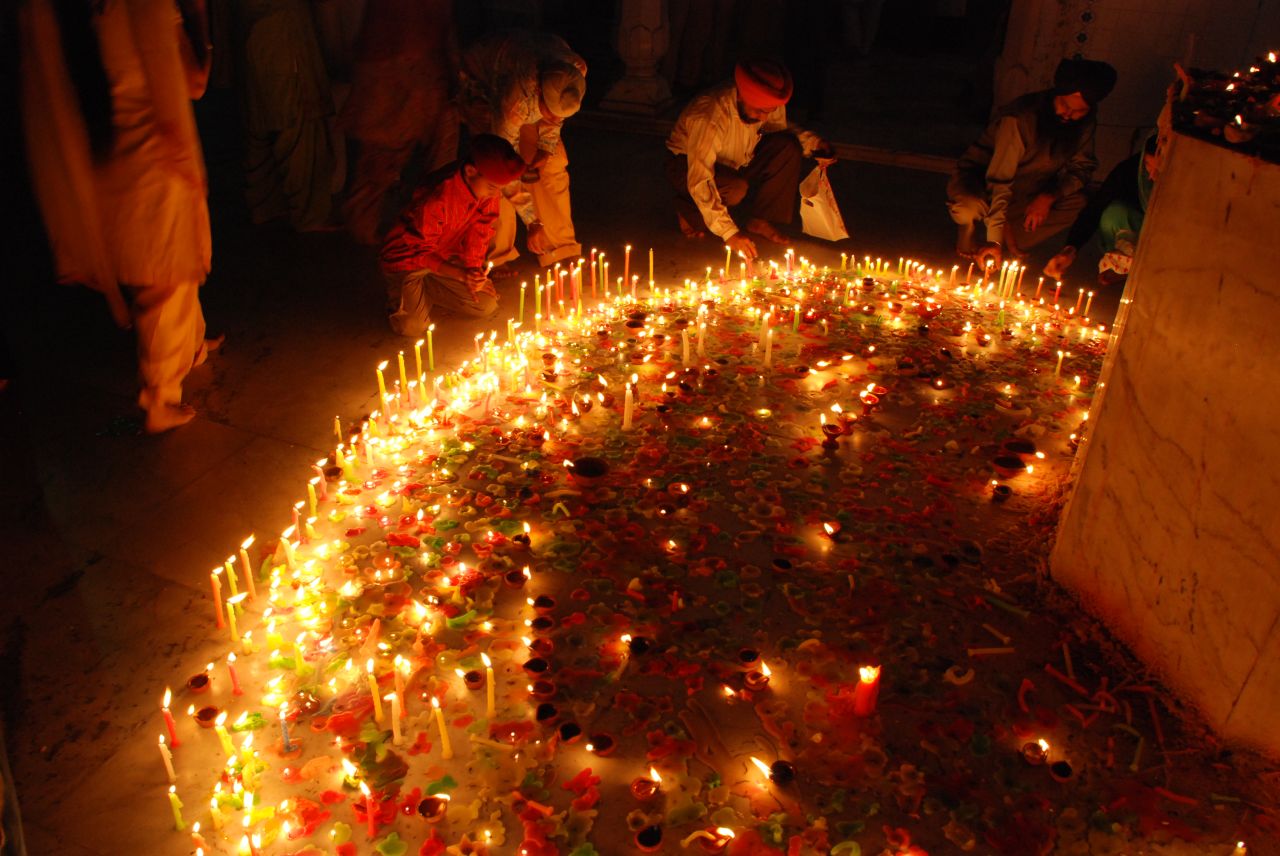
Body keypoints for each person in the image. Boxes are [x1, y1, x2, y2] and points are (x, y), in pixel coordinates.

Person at [19, 0, 221, 432]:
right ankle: (159, 400)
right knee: (164, 279)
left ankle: (191, 347)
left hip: (108, 153)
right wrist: (201, 18)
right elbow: (193, 82)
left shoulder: (66, 11)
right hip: (153, 153)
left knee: (170, 266)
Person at [947, 58, 1117, 268]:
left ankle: (1007, 238)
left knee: (1077, 202)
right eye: (1064, 105)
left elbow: (1082, 168)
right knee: (968, 207)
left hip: (1027, 192)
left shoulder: (1083, 123)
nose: (1068, 114)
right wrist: (995, 239)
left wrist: (1049, 196)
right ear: (1056, 94)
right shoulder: (1020, 118)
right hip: (982, 186)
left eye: (1078, 111)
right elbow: (999, 180)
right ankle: (981, 235)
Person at [665, 58, 834, 261]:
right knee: (735, 189)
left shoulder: (765, 105)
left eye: (769, 111)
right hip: (686, 166)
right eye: (760, 111)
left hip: (736, 163)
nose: (764, 117)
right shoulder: (710, 114)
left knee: (787, 148)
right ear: (742, 97)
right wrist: (730, 234)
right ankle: (687, 210)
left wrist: (814, 144)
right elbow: (700, 177)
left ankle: (759, 220)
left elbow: (780, 127)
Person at [458, 29, 586, 268]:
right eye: (548, 112)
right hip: (482, 84)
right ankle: (496, 254)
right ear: (539, 94)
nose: (553, 118)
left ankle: (559, 247)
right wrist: (532, 221)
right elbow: (502, 161)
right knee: (495, 172)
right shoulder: (514, 101)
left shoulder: (575, 70)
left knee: (555, 160)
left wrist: (545, 150)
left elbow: (555, 118)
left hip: (526, 69)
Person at [339, 0, 461, 245]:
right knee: (382, 155)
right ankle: (373, 231)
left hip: (412, 67)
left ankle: (434, 228)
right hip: (396, 70)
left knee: (439, 150)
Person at [379, 135, 525, 338]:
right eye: (493, 187)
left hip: (444, 256)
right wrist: (459, 274)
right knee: (412, 327)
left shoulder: (486, 191)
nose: (495, 194)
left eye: (500, 189)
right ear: (470, 171)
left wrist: (473, 271)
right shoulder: (437, 197)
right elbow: (420, 253)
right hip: (409, 260)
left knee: (485, 305)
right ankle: (402, 292)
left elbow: (480, 230)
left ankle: (428, 290)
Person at [235, 0, 337, 231]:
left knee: (260, 118)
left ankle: (265, 205)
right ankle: (310, 214)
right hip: (281, 31)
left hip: (251, 30)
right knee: (296, 118)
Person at [1043, 134, 1161, 286]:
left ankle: (1143, 269)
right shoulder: (1130, 170)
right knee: (1114, 214)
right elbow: (1095, 208)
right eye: (1147, 165)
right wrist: (1070, 249)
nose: (1151, 175)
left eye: (1159, 169)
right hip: (1136, 227)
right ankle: (1125, 265)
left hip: (1165, 236)